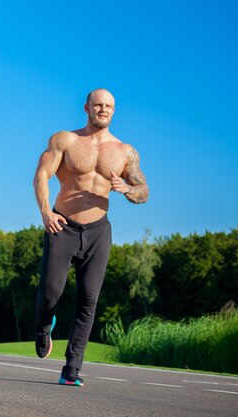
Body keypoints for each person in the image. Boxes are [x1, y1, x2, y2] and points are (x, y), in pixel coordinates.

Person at [33, 88, 148, 386]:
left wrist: (127, 189)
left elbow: (143, 191)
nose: (103, 109)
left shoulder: (125, 151)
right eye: (98, 105)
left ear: (114, 110)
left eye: (109, 106)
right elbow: (41, 175)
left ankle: (71, 369)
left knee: (89, 300)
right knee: (50, 292)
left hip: (98, 230)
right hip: (63, 226)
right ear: (86, 108)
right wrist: (46, 212)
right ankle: (44, 326)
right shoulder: (65, 140)